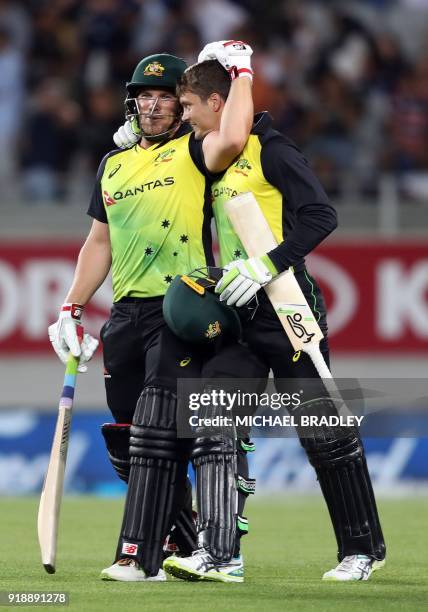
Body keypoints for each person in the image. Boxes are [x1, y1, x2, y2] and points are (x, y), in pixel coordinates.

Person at [156, 58, 386, 583]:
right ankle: (220, 554)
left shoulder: (274, 149)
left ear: (218, 102)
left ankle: (362, 550)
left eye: (189, 106)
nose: (185, 116)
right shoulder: (213, 156)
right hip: (237, 314)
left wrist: (266, 265)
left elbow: (321, 216)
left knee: (323, 434)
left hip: (287, 304)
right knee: (214, 422)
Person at [48, 44, 256, 582]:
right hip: (124, 316)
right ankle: (182, 537)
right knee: (125, 435)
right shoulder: (113, 164)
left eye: (168, 97)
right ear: (131, 103)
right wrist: (71, 306)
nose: (156, 106)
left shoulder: (194, 149)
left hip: (178, 310)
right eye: (146, 96)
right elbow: (99, 243)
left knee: (157, 433)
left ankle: (139, 554)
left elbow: (233, 136)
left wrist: (240, 74)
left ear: (181, 106)